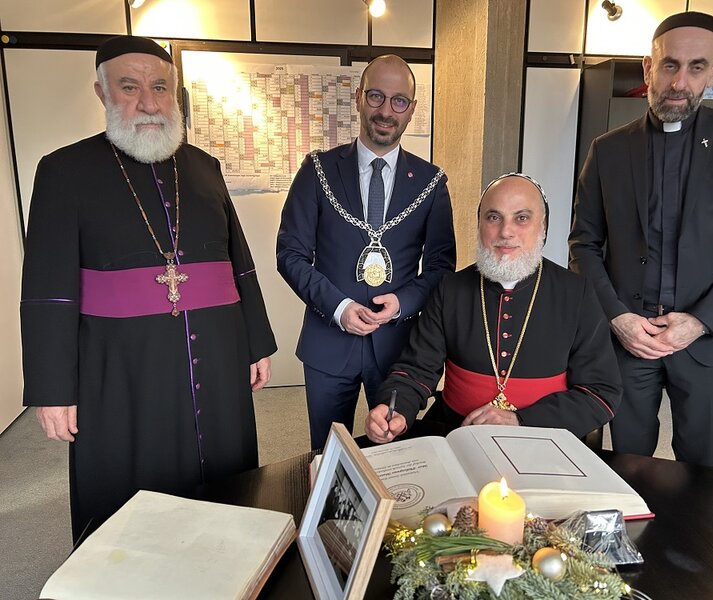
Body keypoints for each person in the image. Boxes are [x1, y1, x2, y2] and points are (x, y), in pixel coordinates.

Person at [21, 36, 277, 541]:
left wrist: (256, 341)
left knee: (226, 476)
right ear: (102, 92)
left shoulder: (204, 166)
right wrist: (53, 390)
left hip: (217, 354)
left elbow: (238, 261)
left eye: (160, 87)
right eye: (129, 87)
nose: (148, 102)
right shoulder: (64, 170)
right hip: (122, 367)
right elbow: (47, 289)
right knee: (130, 486)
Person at [569, 12, 713, 468]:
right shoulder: (607, 149)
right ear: (649, 68)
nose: (679, 82)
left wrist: (700, 321)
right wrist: (618, 318)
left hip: (710, 339)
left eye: (696, 67)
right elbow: (583, 245)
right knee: (626, 463)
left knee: (705, 472)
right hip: (629, 340)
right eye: (669, 65)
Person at [277, 54, 456, 450]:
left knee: (394, 453)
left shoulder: (431, 182)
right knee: (328, 453)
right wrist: (339, 307)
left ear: (411, 109)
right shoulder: (318, 170)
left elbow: (441, 266)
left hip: (399, 349)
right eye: (376, 96)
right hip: (327, 340)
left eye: (399, 101)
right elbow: (290, 253)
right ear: (358, 97)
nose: (386, 111)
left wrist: (403, 302)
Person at [365, 174, 621, 444]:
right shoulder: (450, 289)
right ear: (480, 225)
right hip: (456, 433)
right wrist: (395, 410)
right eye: (494, 217)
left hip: (544, 440)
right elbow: (416, 369)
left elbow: (601, 392)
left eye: (521, 218)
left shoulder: (577, 292)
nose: (506, 232)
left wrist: (520, 420)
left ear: (543, 227)